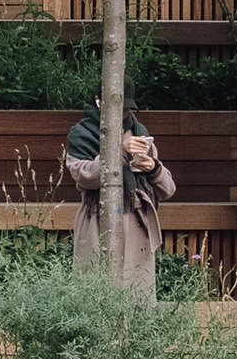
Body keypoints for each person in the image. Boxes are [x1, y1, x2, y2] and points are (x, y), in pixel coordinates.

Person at [64, 90, 176, 287]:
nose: (123, 112)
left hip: (135, 219)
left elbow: (168, 189)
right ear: (98, 101)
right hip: (98, 217)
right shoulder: (82, 134)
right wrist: (117, 150)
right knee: (95, 288)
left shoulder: (140, 132)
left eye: (127, 107)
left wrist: (153, 168)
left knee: (136, 291)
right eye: (119, 105)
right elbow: (84, 176)